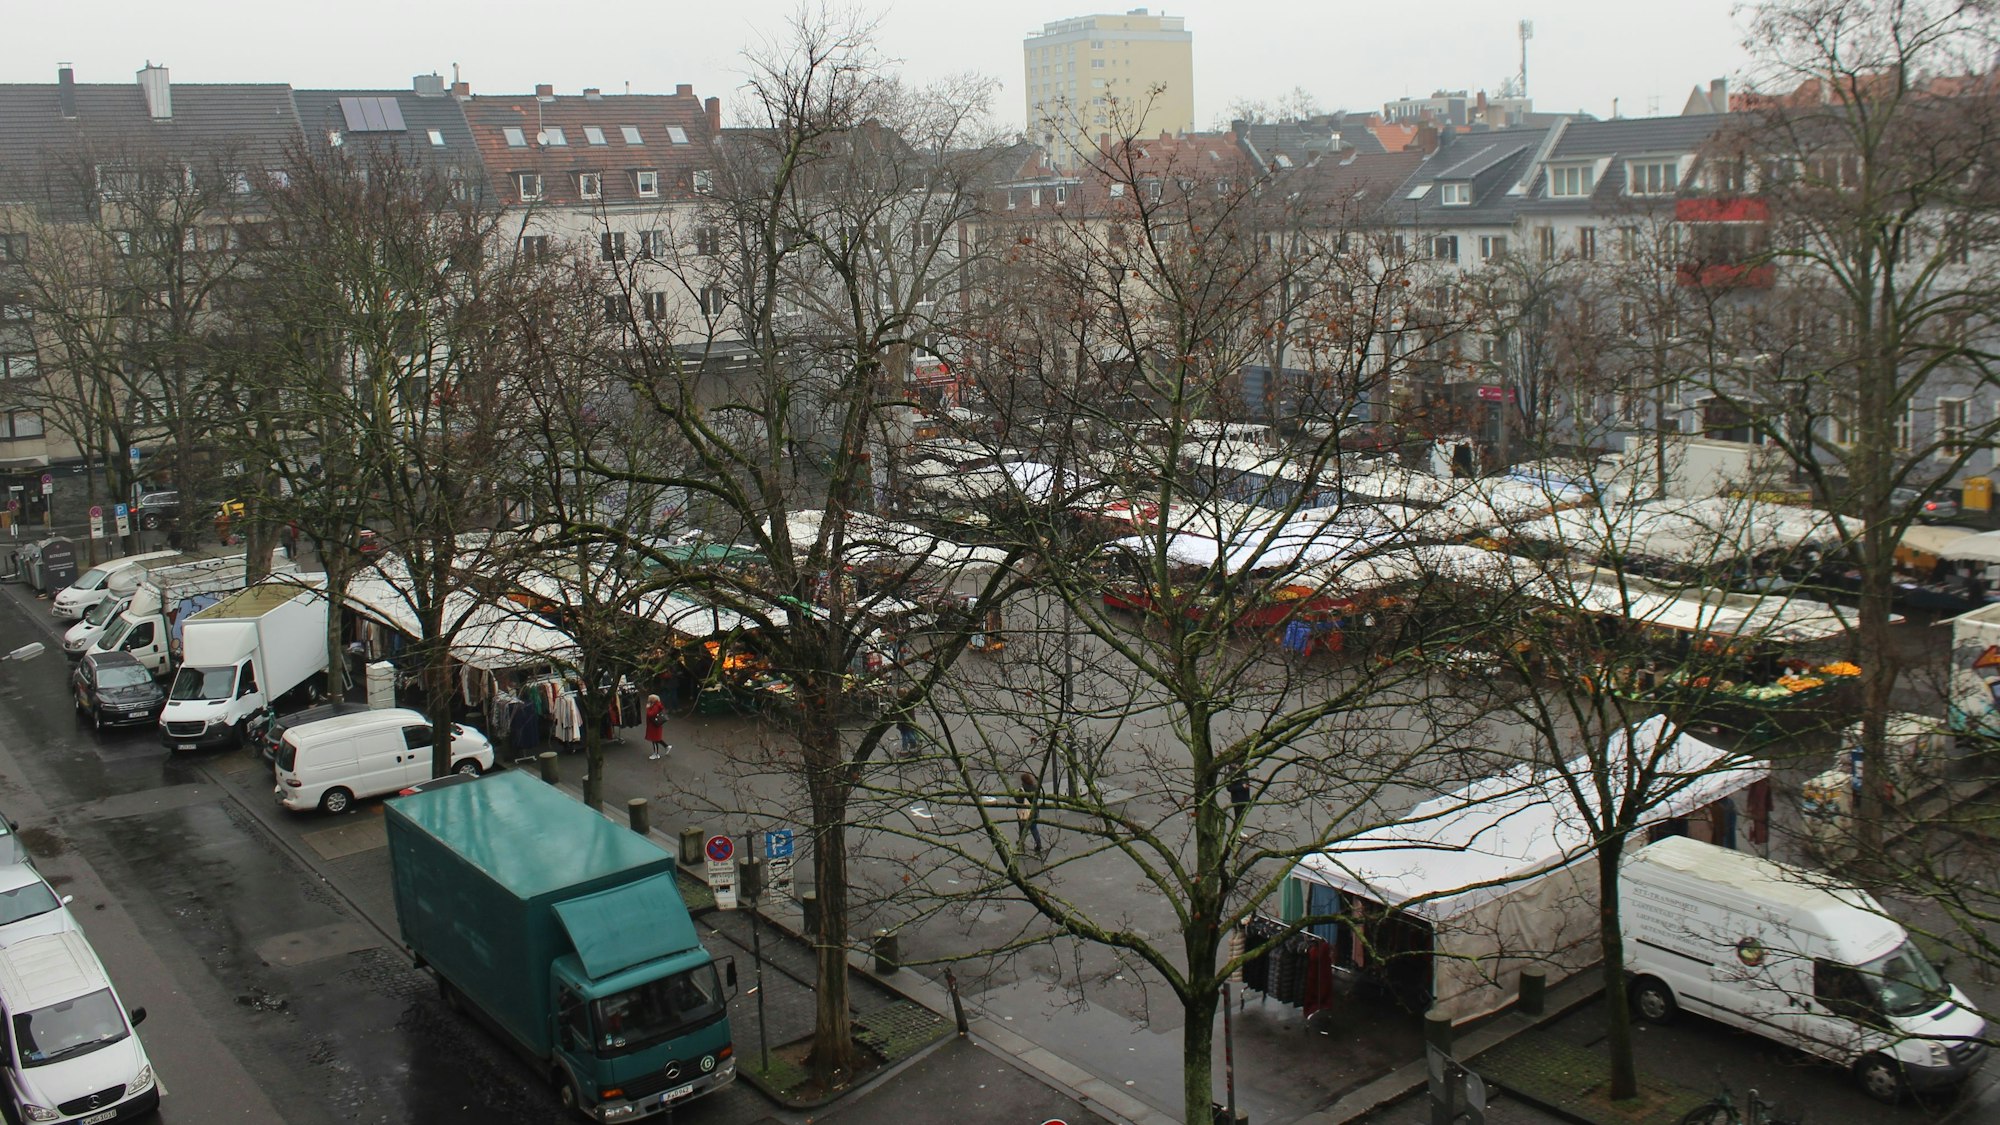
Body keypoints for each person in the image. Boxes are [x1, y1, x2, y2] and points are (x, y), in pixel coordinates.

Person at [1016, 771, 1043, 854]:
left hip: (1024, 812)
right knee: (1034, 828)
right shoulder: (1035, 787)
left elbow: (1019, 800)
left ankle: (1021, 842)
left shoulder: (1022, 789)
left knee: (1022, 827)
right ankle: (1038, 844)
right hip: (1034, 811)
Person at [644, 694, 667, 760]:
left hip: (654, 726)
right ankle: (663, 748)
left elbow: (651, 714)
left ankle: (656, 754)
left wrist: (648, 708)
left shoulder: (656, 706)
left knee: (654, 740)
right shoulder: (657, 705)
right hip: (655, 726)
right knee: (655, 740)